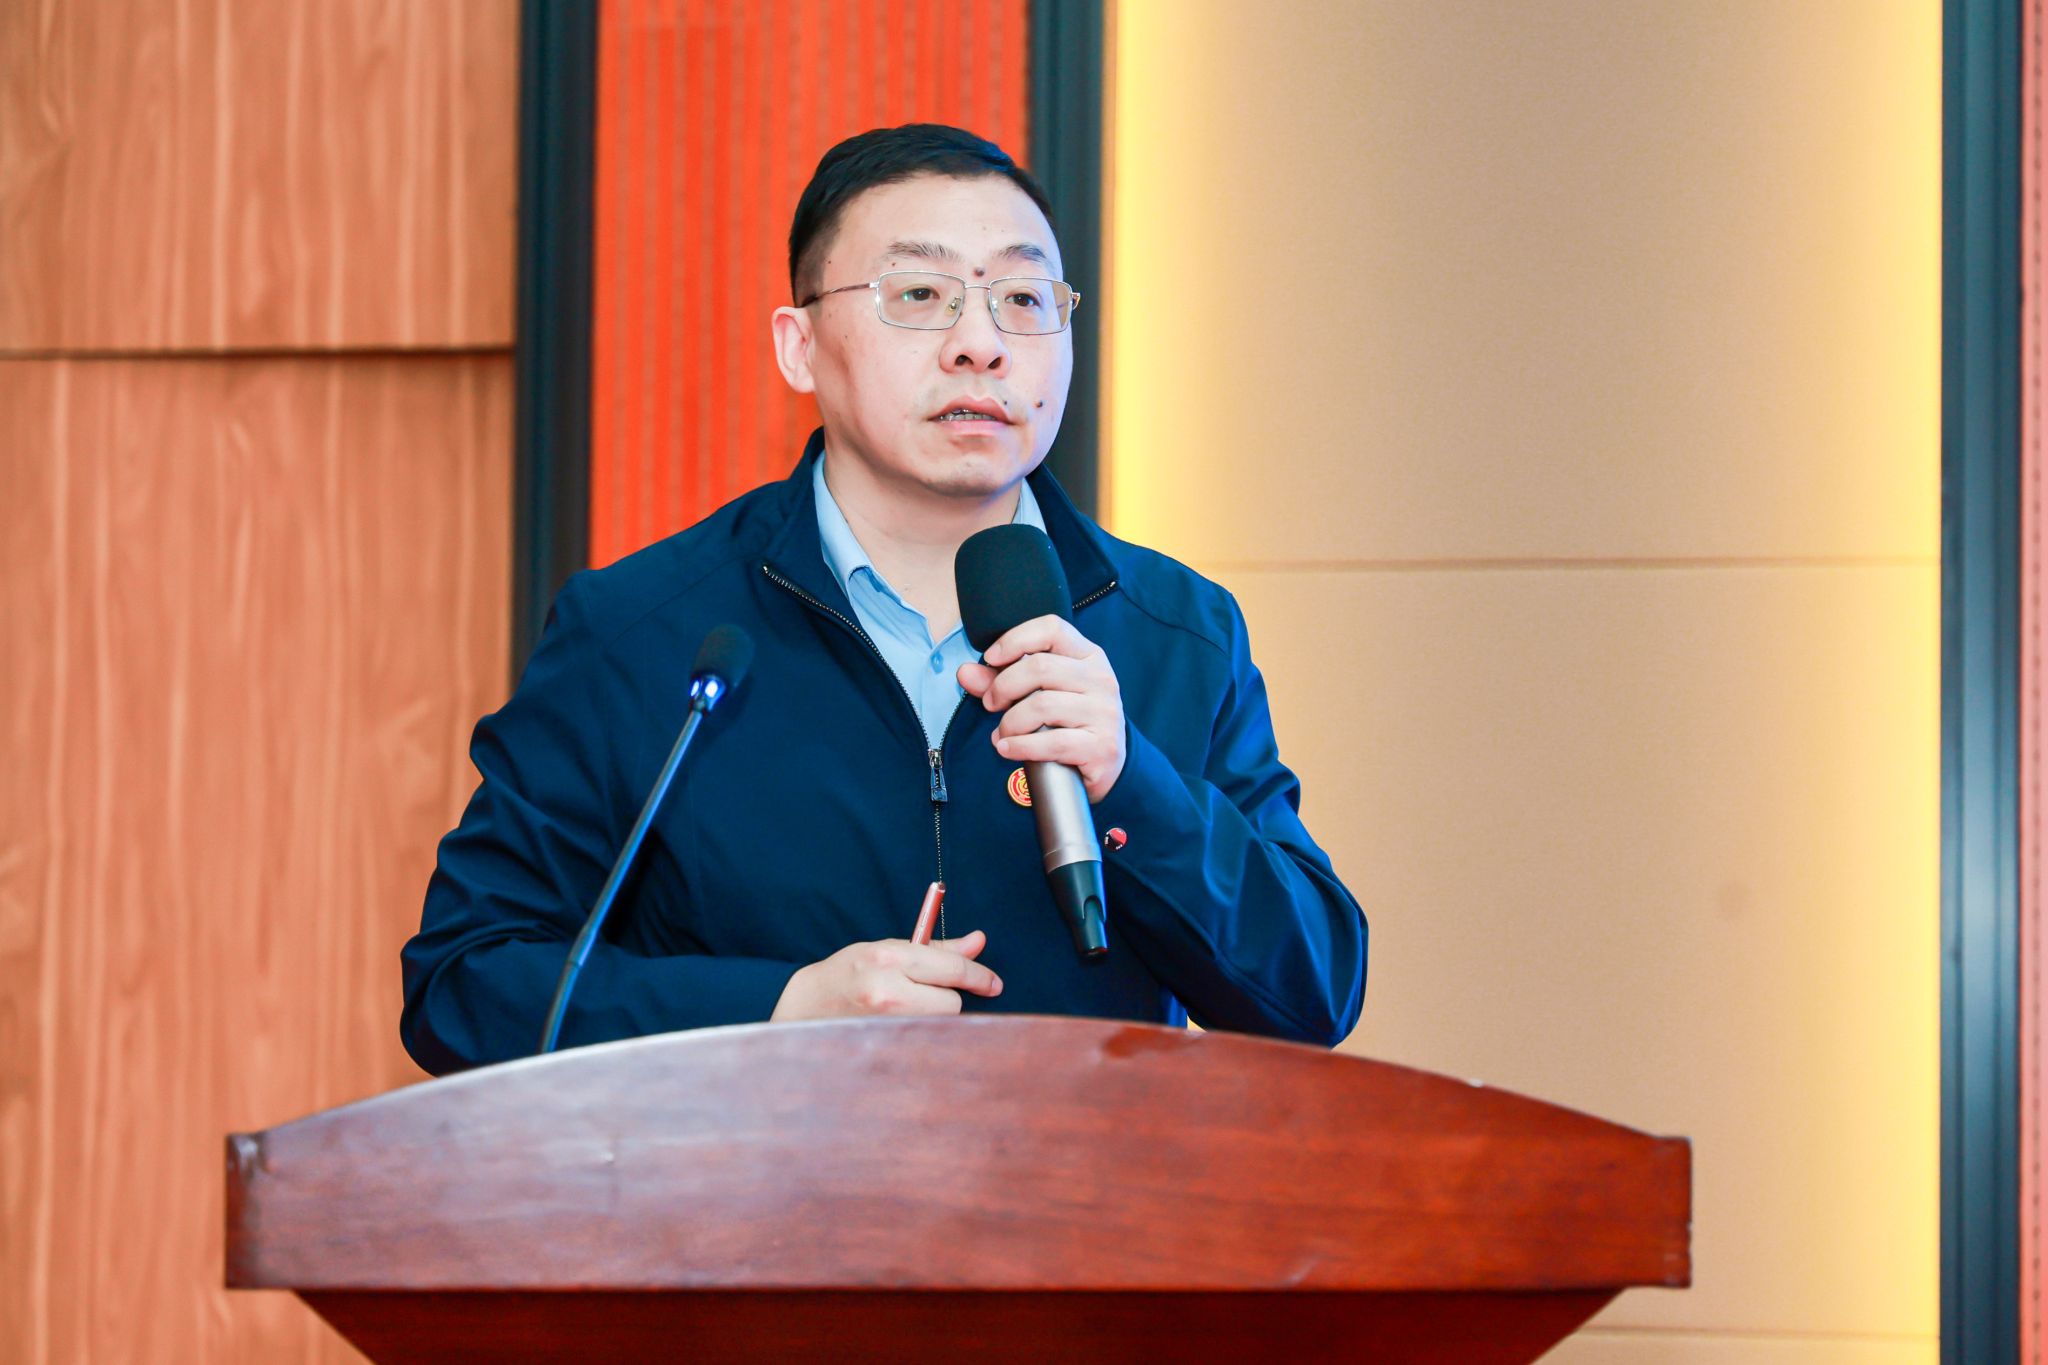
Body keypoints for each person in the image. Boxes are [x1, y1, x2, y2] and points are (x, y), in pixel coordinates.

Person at [399, 124, 1367, 1075]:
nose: (981, 344)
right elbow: (465, 983)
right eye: (919, 295)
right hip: (758, 1182)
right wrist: (775, 1011)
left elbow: (1310, 994)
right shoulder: (644, 632)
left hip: (1084, 1183)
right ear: (801, 346)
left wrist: (1134, 785)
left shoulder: (1176, 631)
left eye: (1023, 299)